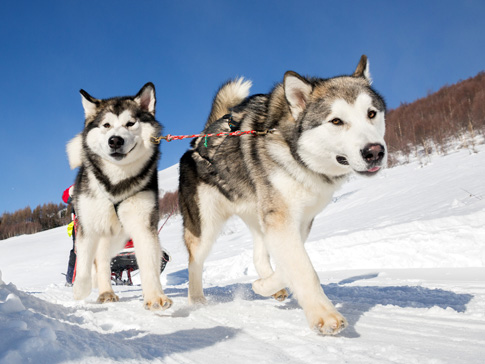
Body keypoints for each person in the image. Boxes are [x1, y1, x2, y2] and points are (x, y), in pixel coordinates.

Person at [62, 185, 76, 287]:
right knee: (76, 250)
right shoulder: (77, 185)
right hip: (79, 223)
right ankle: (70, 278)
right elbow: (65, 197)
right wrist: (72, 193)